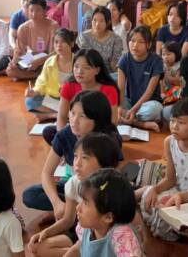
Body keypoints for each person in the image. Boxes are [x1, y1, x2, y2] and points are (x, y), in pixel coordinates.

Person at [22, 91, 122, 221]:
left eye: (82, 116)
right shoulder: (64, 135)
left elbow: (114, 175)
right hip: (74, 185)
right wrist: (57, 203)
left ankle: (74, 216)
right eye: (72, 113)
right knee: (30, 195)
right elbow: (47, 173)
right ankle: (69, 213)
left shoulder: (108, 139)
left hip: (98, 190)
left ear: (97, 119)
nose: (74, 121)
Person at [137, 98, 188, 241]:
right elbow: (170, 179)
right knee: (149, 196)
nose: (174, 126)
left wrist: (184, 199)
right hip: (177, 192)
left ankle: (171, 236)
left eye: (181, 122)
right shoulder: (169, 142)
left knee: (165, 210)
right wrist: (155, 190)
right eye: (172, 121)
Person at [28, 133, 120, 257]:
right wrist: (46, 232)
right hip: (83, 230)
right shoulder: (74, 183)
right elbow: (68, 220)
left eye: (85, 158)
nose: (77, 163)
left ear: (103, 162)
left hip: (108, 238)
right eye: (76, 156)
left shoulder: (113, 189)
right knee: (37, 247)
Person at [64, 168, 142, 257]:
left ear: (108, 217)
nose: (78, 207)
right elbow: (79, 247)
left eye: (85, 203)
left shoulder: (121, 236)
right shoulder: (85, 229)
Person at [57, 49, 119, 131]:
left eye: (86, 68)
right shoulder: (68, 86)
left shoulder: (109, 90)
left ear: (97, 70)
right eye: (76, 66)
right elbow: (62, 116)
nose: (79, 71)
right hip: (76, 130)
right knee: (49, 131)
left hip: (99, 132)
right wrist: (61, 137)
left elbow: (113, 122)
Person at [118, 26, 164, 132]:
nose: (135, 45)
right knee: (110, 104)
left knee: (155, 110)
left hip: (148, 103)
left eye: (141, 42)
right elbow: (120, 88)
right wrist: (120, 107)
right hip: (128, 102)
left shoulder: (156, 61)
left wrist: (133, 110)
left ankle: (127, 119)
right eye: (132, 41)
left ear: (149, 44)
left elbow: (149, 92)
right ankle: (140, 124)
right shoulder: (124, 59)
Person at [24, 28, 74, 122]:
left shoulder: (78, 62)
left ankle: (48, 116)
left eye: (63, 42)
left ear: (72, 43)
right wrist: (34, 92)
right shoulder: (50, 62)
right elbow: (41, 83)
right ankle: (59, 115)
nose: (59, 45)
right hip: (54, 99)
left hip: (71, 100)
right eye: (56, 42)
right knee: (30, 101)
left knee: (83, 106)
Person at [7, 0, 59, 80]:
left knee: (54, 66)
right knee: (10, 70)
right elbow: (19, 51)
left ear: (44, 11)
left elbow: (57, 52)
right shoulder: (23, 28)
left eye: (38, 10)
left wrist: (41, 61)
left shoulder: (53, 26)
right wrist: (13, 63)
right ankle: (38, 75)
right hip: (33, 56)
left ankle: (36, 75)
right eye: (31, 10)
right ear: (27, 11)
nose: (34, 14)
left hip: (49, 57)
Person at [76, 6, 123, 76]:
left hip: (108, 75)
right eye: (94, 20)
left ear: (108, 23)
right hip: (88, 74)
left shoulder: (116, 39)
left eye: (101, 21)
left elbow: (114, 65)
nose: (97, 24)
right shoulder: (84, 37)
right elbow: (85, 60)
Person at [160, 41, 182, 106]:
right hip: (164, 90)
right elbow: (160, 81)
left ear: (176, 54)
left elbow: (178, 82)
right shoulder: (161, 65)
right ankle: (164, 98)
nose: (165, 57)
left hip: (174, 90)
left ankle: (169, 101)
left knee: (179, 90)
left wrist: (166, 76)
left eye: (168, 54)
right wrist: (162, 92)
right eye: (163, 54)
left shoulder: (179, 66)